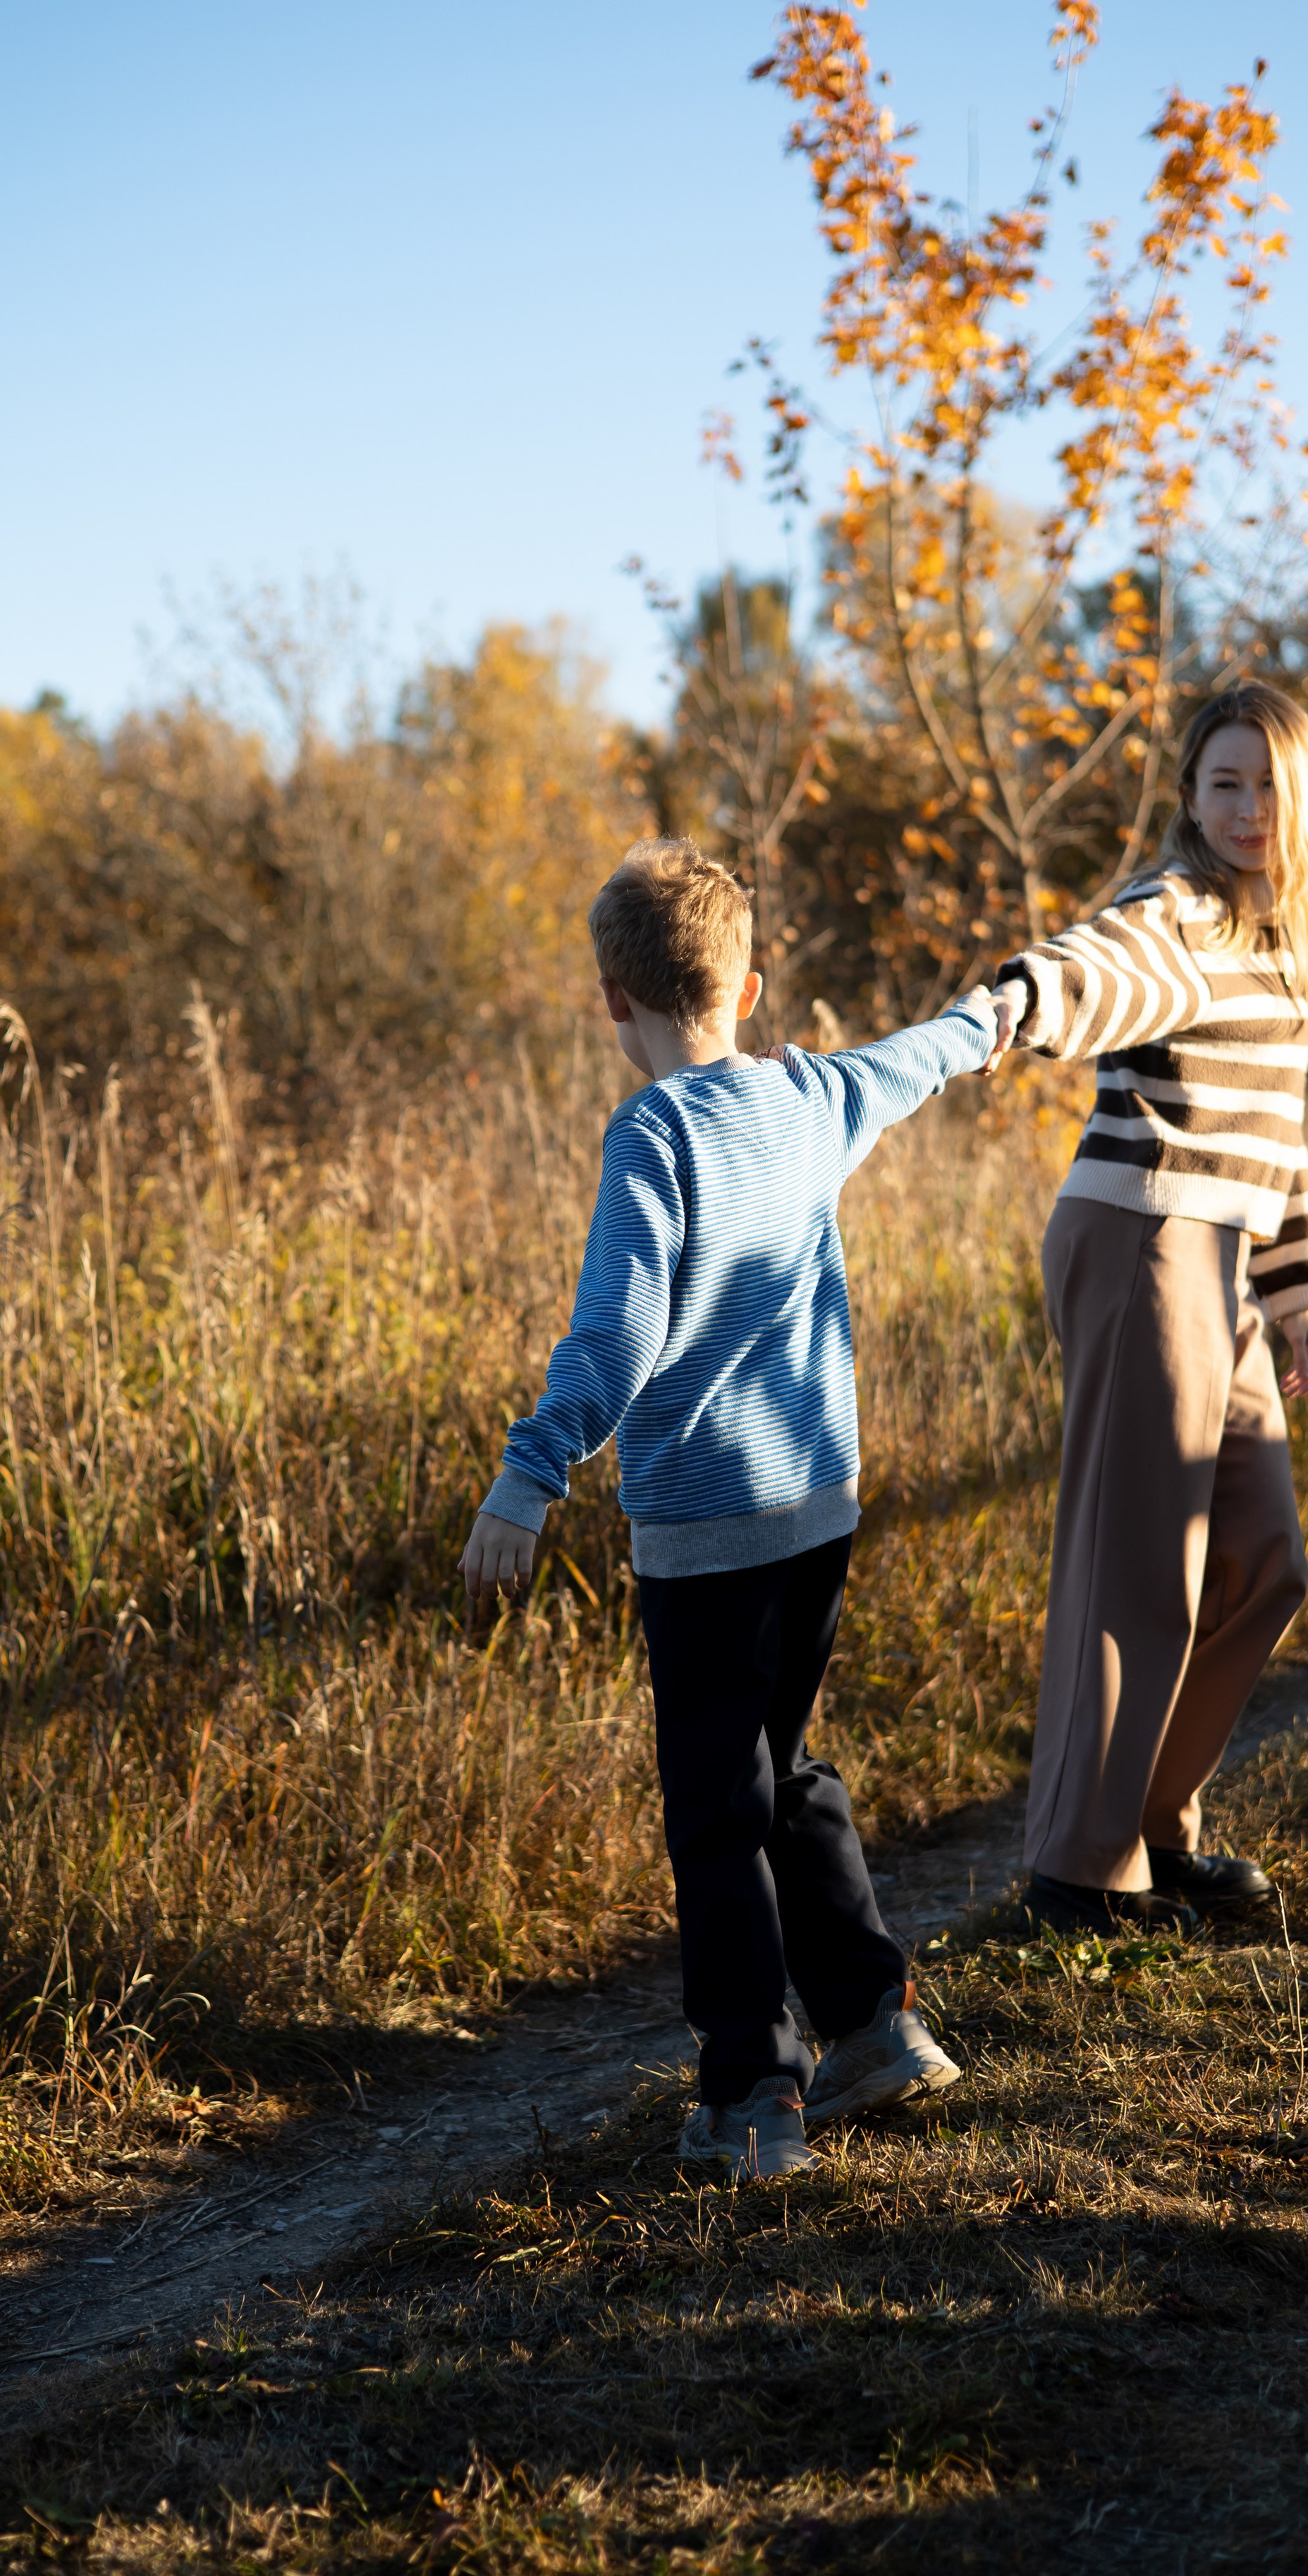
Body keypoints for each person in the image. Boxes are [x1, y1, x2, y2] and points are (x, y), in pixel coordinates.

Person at [462, 838, 997, 2180]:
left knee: (716, 1801)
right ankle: (877, 2022)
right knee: (785, 1761)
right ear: (750, 988)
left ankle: (755, 2091)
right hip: (821, 1505)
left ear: (611, 999)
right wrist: (999, 1016)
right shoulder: (814, 1095)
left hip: (706, 1530)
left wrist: (530, 1475)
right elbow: (922, 1056)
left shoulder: (652, 1131)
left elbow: (619, 1328)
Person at [985, 681, 1308, 1935]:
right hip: (1143, 1235)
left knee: (1264, 1563)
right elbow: (1109, 964)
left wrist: (1295, 1286)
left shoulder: (1284, 945)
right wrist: (1022, 1001)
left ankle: (1148, 1825)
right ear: (1192, 799)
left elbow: (1277, 1139)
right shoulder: (1184, 915)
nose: (1249, 808)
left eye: (1269, 784)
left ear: (1303, 795)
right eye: (1224, 783)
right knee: (1141, 1563)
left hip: (1222, 1256)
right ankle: (1079, 1872)